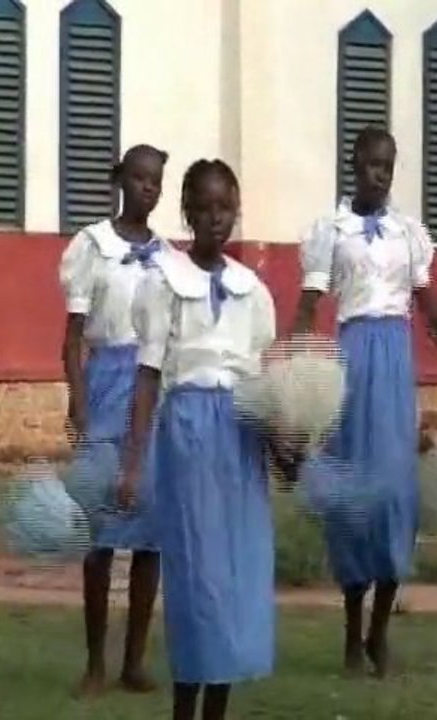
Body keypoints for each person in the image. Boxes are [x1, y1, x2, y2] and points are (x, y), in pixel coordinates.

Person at [291, 125, 437, 678]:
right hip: (351, 360)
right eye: (370, 165)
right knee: (352, 498)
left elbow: (428, 304)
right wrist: (293, 365)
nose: (379, 175)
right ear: (354, 165)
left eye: (388, 166)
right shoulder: (331, 232)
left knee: (395, 495)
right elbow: (309, 303)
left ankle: (380, 631)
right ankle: (349, 630)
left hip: (394, 362)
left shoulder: (409, 234)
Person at [121, 159, 277, 720]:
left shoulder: (251, 291)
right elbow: (148, 375)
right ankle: (185, 707)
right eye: (204, 208)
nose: (216, 218)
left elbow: (261, 382)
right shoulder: (165, 282)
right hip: (189, 436)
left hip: (240, 439)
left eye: (225, 207)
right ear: (187, 213)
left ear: (236, 211)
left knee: (236, 579)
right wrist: (134, 463)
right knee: (198, 579)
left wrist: (283, 444)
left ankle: (218, 707)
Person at [59, 144, 171, 696]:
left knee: (150, 534)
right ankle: (95, 663)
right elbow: (73, 338)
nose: (149, 188)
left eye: (157, 181)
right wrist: (78, 401)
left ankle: (133, 662)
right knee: (100, 533)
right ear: (120, 180)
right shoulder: (92, 247)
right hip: (105, 385)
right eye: (140, 178)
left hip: (152, 389)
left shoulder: (169, 256)